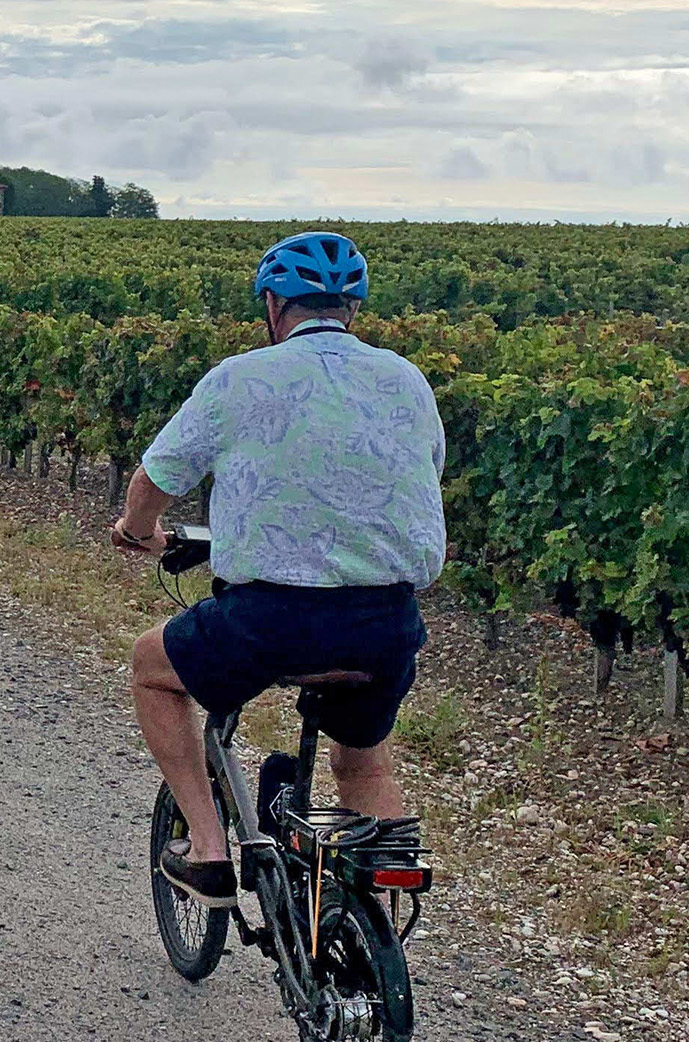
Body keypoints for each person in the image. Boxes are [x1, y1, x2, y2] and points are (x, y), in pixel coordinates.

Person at [109, 231, 444, 910]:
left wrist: (137, 531)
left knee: (152, 665)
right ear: (352, 308)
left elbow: (156, 477)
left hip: (273, 620)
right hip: (387, 621)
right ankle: (370, 929)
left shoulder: (241, 377)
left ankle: (207, 852)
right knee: (361, 757)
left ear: (272, 304)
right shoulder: (406, 379)